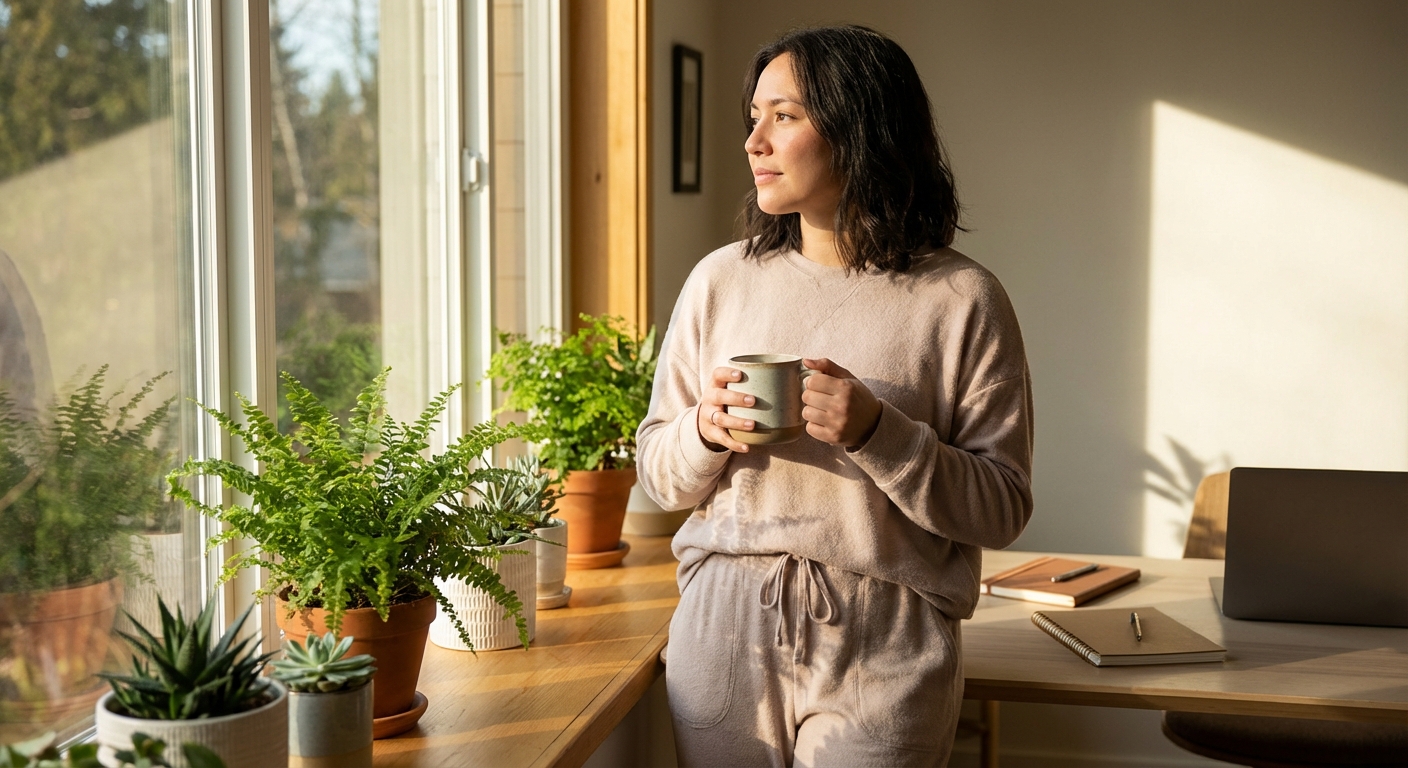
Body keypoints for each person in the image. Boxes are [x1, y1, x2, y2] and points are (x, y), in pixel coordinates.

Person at [636, 25, 1034, 768]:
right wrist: (705, 430)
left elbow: (1003, 506)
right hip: (724, 623)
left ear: (861, 130)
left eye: (783, 117)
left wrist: (881, 433)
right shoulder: (719, 280)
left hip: (885, 639)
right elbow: (657, 475)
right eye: (752, 117)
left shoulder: (961, 298)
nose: (754, 141)